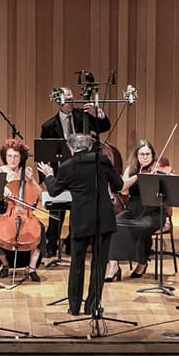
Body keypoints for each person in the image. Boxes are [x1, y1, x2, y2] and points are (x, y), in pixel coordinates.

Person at [38, 133, 124, 316]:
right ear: (90, 146)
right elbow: (118, 184)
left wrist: (49, 175)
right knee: (99, 264)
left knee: (77, 263)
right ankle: (92, 306)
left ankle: (74, 307)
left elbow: (53, 191)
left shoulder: (68, 166)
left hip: (82, 220)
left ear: (71, 148)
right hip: (103, 219)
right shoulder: (101, 160)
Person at [40, 86, 112, 257]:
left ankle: (74, 242)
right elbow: (43, 153)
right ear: (59, 101)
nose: (72, 102)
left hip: (83, 170)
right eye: (68, 99)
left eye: (73, 99)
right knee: (56, 211)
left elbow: (104, 127)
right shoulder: (49, 125)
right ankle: (52, 244)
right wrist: (44, 178)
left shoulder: (83, 115)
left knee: (78, 208)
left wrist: (98, 114)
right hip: (61, 170)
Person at [104, 140, 166, 281]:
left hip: (154, 212)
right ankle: (114, 266)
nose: (145, 157)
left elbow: (169, 191)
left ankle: (142, 261)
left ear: (153, 155)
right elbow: (123, 189)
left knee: (144, 226)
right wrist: (138, 176)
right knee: (113, 223)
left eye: (148, 154)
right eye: (141, 154)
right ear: (136, 156)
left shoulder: (159, 169)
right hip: (133, 209)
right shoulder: (130, 170)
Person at [0, 138, 45, 282]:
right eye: (9, 156)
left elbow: (39, 195)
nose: (12, 159)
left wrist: (31, 180)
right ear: (4, 156)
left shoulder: (26, 172)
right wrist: (0, 190)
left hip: (25, 211)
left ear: (21, 157)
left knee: (41, 230)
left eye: (16, 156)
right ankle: (5, 265)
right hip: (2, 210)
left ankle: (32, 268)